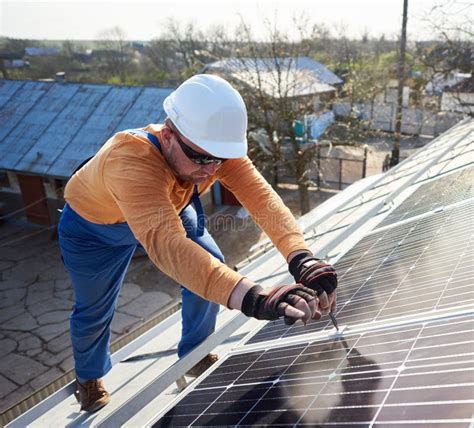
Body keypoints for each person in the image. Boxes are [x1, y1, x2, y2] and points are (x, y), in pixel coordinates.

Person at [58, 74, 338, 413]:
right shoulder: (130, 160)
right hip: (93, 229)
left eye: (219, 160)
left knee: (211, 261)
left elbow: (261, 199)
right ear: (168, 135)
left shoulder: (210, 149)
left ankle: (195, 352)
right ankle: (88, 377)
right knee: (94, 310)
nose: (212, 170)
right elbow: (167, 245)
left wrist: (301, 257)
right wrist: (253, 297)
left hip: (168, 207)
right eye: (202, 159)